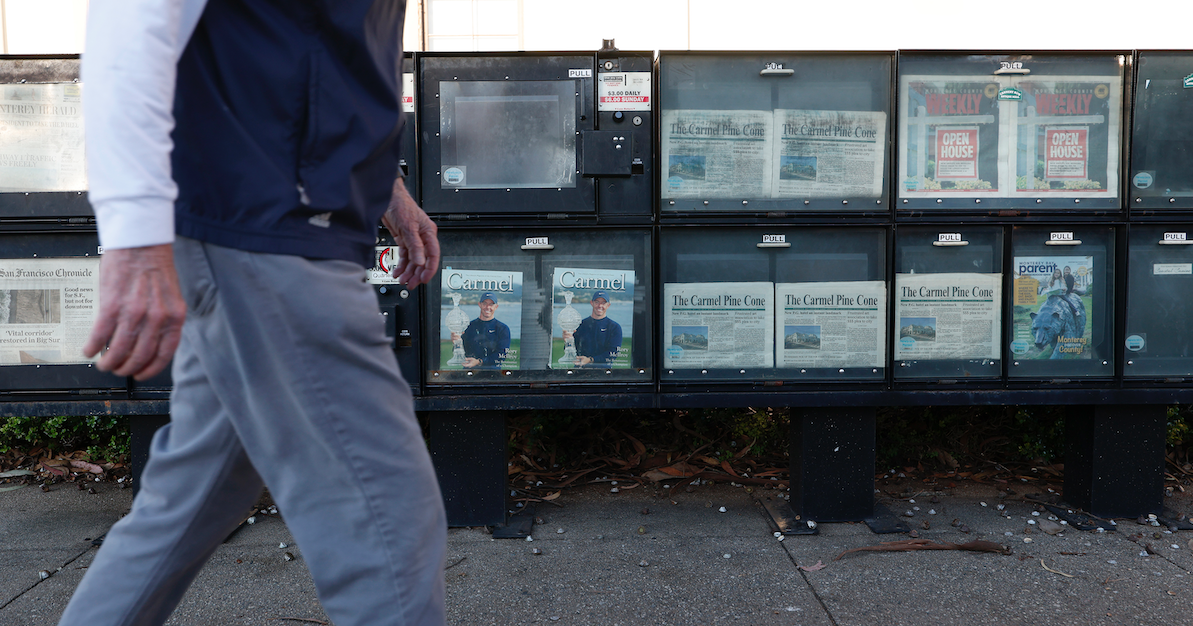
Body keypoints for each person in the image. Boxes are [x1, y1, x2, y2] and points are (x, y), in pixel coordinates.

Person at [59, 2, 446, 625]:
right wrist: (134, 238)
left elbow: (323, 44)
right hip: (262, 222)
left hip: (273, 214)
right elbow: (134, 24)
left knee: (198, 490)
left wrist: (387, 191)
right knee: (385, 512)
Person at [564, 290, 622, 367]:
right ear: (592, 303)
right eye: (597, 302)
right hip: (580, 372)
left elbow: (613, 354)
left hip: (604, 373)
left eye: (603, 303)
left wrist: (590, 360)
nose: (600, 306)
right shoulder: (580, 324)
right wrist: (568, 340)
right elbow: (571, 351)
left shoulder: (614, 327)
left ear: (608, 305)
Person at [453, 292, 510, 368]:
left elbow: (502, 356)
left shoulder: (502, 328)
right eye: (485, 303)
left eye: (491, 304)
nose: (487, 307)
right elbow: (459, 352)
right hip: (470, 374)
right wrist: (456, 341)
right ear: (479, 304)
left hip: (494, 375)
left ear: (496, 307)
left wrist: (479, 362)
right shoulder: (468, 326)